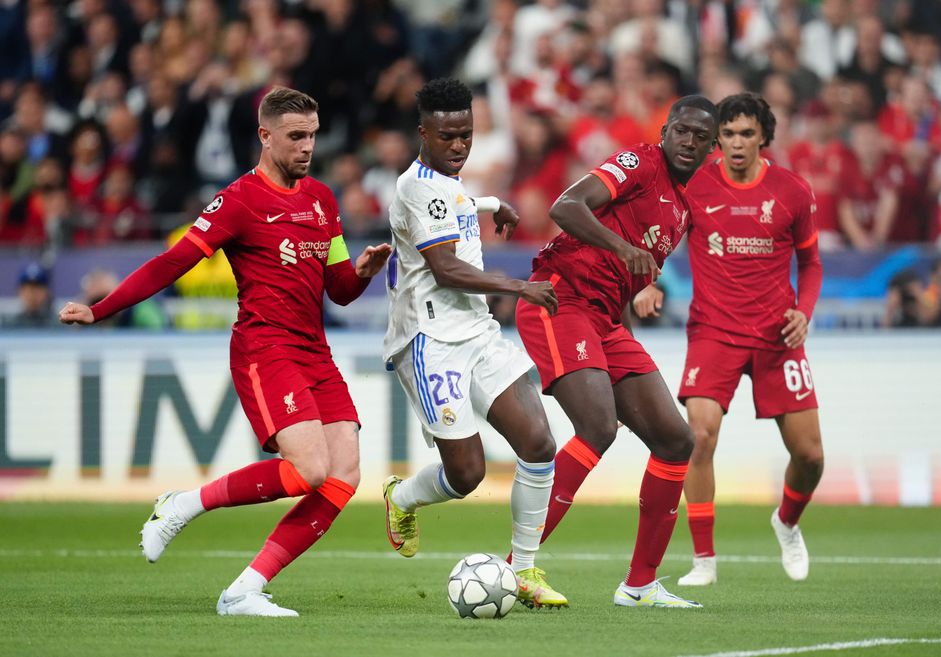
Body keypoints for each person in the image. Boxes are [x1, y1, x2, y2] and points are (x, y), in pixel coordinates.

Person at [59, 87, 392, 617]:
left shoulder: (322, 201)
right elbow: (171, 264)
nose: (308, 147)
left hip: (314, 351)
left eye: (312, 135)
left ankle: (245, 590)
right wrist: (101, 309)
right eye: (295, 137)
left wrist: (365, 274)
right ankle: (185, 503)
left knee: (344, 474)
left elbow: (340, 289)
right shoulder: (239, 201)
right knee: (307, 470)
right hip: (265, 348)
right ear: (265, 136)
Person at [514, 95, 720, 608]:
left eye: (700, 136)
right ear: (666, 131)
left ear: (711, 147)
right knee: (598, 427)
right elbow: (566, 206)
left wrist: (623, 328)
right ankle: (515, 565)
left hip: (606, 320)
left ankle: (640, 585)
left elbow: (622, 281)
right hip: (559, 298)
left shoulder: (683, 210)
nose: (689, 142)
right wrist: (622, 248)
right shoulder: (639, 162)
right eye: (682, 131)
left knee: (676, 440)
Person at [380, 78, 567, 609]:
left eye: (466, 135)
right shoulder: (413, 187)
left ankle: (524, 570)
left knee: (538, 442)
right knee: (466, 474)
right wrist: (518, 285)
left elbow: (456, 200)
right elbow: (444, 267)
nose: (459, 146)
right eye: (448, 136)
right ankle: (403, 497)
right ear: (423, 133)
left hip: (478, 334)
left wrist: (492, 204)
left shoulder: (450, 181)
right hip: (428, 340)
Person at [634, 92, 824, 586]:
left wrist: (804, 313)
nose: (736, 143)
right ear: (717, 138)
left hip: (777, 335)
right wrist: (648, 281)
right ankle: (704, 560)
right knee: (697, 436)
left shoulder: (792, 191)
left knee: (810, 456)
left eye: (746, 133)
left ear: (763, 136)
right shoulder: (695, 185)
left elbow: (812, 263)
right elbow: (659, 237)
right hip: (714, 331)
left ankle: (786, 521)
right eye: (728, 134)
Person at [4, 262, 56, 328]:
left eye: (38, 287)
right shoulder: (9, 326)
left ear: (47, 291)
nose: (32, 294)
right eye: (29, 288)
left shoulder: (57, 325)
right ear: (19, 291)